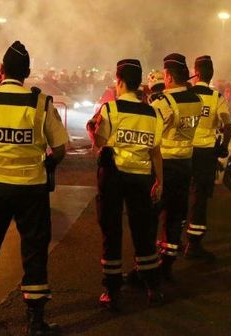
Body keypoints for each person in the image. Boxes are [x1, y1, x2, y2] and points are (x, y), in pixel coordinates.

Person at [0, 41, 68, 336]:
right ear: (27, 73)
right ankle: (35, 322)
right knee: (34, 251)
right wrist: (41, 161)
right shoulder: (40, 103)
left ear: (0, 70)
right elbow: (59, 148)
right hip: (31, 190)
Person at [86, 59, 164, 311]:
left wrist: (92, 130)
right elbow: (155, 153)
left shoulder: (110, 110)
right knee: (144, 231)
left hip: (114, 178)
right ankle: (151, 284)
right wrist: (159, 182)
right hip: (142, 178)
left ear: (119, 82)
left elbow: (99, 140)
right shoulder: (153, 113)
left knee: (112, 231)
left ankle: (111, 289)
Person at [149, 53, 203, 281]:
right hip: (185, 164)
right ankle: (168, 263)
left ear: (168, 76)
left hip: (164, 166)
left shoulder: (163, 103)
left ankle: (147, 264)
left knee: (152, 215)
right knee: (175, 216)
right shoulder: (196, 101)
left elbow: (152, 136)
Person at [185, 56, 231, 259]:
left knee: (177, 194)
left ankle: (169, 241)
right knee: (200, 197)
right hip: (205, 153)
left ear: (195, 72)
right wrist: (222, 147)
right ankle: (193, 245)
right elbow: (228, 126)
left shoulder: (186, 94)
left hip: (182, 152)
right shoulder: (216, 97)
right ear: (211, 74)